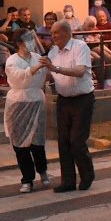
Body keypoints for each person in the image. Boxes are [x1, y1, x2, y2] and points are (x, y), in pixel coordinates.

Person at [39, 20, 96, 193]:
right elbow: (49, 74)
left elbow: (79, 71)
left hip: (82, 99)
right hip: (63, 100)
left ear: (66, 33)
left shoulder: (80, 47)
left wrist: (55, 68)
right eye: (52, 33)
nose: (53, 36)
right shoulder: (53, 51)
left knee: (77, 141)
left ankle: (87, 174)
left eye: (56, 33)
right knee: (63, 142)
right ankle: (68, 181)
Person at [5, 29, 50, 192]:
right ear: (19, 43)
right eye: (27, 40)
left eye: (32, 40)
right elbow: (17, 77)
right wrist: (34, 68)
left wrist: (46, 65)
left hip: (36, 100)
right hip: (18, 103)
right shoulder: (12, 60)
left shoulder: (38, 57)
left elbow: (47, 74)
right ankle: (27, 179)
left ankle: (43, 171)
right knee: (20, 144)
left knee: (37, 142)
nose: (31, 43)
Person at [80, 16, 111, 89]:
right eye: (89, 26)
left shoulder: (95, 30)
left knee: (108, 57)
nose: (91, 28)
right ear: (84, 24)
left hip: (94, 47)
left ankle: (108, 82)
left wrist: (110, 51)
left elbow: (100, 43)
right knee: (98, 59)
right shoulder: (79, 30)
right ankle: (101, 81)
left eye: (93, 26)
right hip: (84, 49)